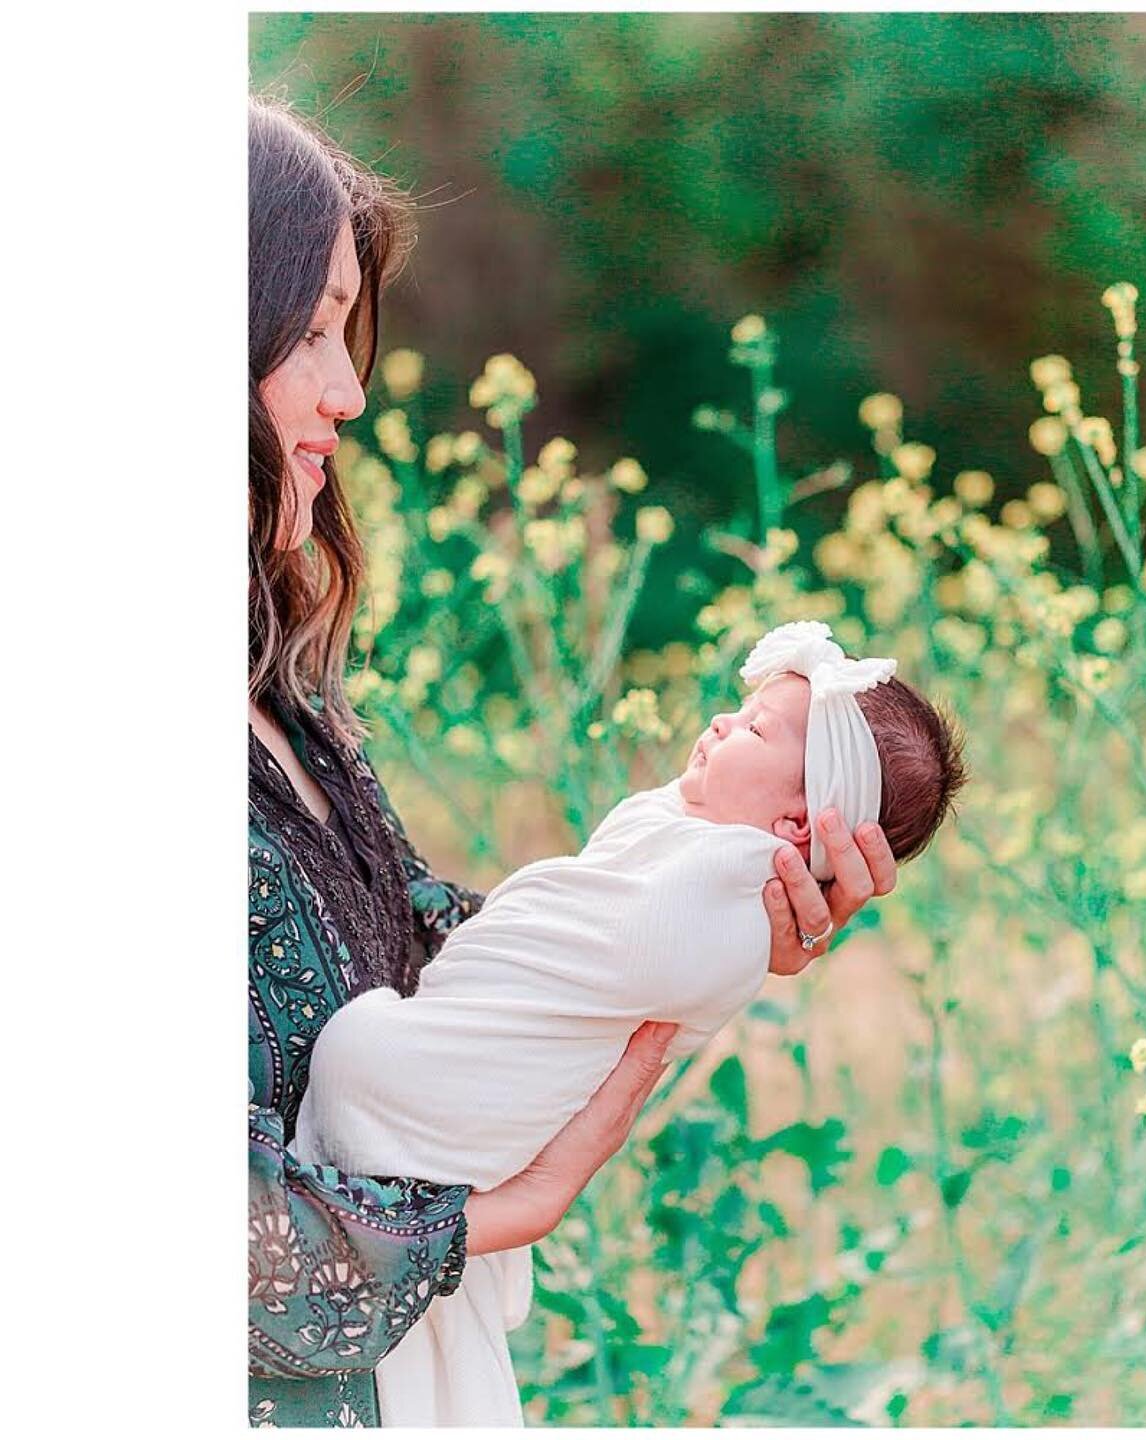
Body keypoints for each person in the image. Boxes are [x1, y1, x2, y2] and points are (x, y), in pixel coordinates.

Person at [246, 96, 900, 1429]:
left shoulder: (280, 693)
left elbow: (410, 964)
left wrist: (706, 912)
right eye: (309, 329)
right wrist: (491, 1218)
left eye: (346, 332)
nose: (350, 391)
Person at [296, 620, 968, 1425]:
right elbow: (612, 865)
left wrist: (772, 920)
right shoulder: (689, 848)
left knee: (368, 1055)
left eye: (752, 728)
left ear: (800, 830)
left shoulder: (732, 880)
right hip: (371, 1165)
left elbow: (638, 939)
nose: (719, 724)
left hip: (414, 1119)